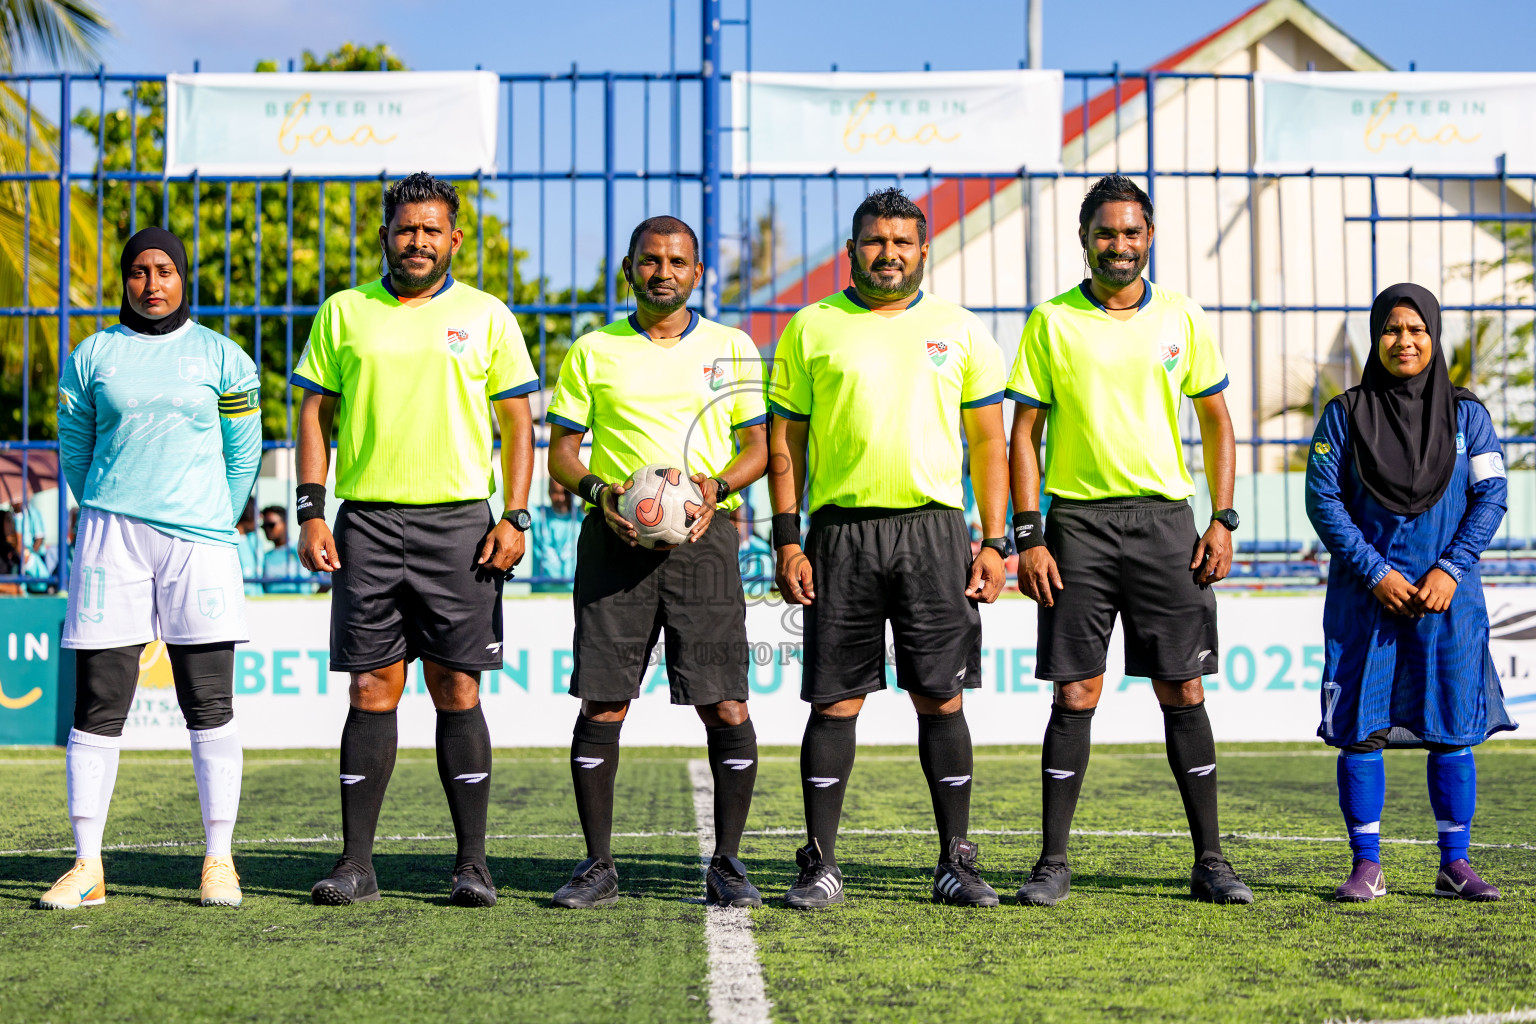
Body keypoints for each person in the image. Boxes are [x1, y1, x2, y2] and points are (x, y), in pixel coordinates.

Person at [292, 172, 538, 908]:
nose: (419, 240)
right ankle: (356, 864)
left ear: (454, 238)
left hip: (460, 525)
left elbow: (519, 424)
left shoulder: (487, 315)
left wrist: (515, 515)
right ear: (385, 236)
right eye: (407, 229)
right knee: (371, 686)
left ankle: (472, 864)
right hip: (366, 522)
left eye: (432, 229)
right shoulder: (344, 313)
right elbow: (314, 415)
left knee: (456, 685)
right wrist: (310, 509)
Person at [1008, 174, 1252, 906]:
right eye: (1106, 233)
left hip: (1165, 524)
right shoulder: (1051, 321)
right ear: (1084, 239)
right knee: (1076, 689)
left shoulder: (1182, 316)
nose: (1120, 244)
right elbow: (1025, 435)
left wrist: (1222, 517)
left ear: (1151, 237)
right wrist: (1029, 536)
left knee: (1183, 684)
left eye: (1132, 232)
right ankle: (1052, 862)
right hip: (1076, 526)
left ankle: (1211, 861)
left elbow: (1217, 422)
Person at [769, 187, 1010, 910]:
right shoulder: (811, 327)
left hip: (935, 532)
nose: (889, 253)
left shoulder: (961, 330)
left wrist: (995, 541)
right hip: (839, 534)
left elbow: (989, 443)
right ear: (852, 249)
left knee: (941, 697)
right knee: (835, 702)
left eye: (903, 242)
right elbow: (787, 442)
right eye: (876, 241)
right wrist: (787, 541)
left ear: (924, 250)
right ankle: (820, 862)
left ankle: (955, 860)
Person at [544, 215, 769, 908]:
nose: (662, 271)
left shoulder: (732, 347)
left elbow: (758, 449)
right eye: (650, 260)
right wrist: (602, 492)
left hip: (706, 544)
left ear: (698, 273)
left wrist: (715, 488)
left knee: (725, 703)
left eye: (676, 261)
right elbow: (563, 453)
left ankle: (728, 863)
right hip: (613, 545)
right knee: (604, 702)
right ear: (629, 268)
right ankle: (597, 866)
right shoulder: (593, 350)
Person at [40, 226, 261, 910]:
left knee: (209, 704)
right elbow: (75, 451)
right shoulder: (92, 357)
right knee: (99, 705)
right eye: (140, 270)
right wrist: (116, 504)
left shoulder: (224, 359)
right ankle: (87, 865)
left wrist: (207, 517)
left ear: (183, 277)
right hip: (112, 539)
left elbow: (243, 455)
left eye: (165, 269)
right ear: (125, 279)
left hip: (201, 542)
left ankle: (218, 859)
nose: (152, 282)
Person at [1305, 283, 1517, 903]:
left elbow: (1492, 496)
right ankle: (1366, 864)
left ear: (1435, 336)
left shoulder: (1467, 415)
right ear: (1376, 338)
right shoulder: (1344, 414)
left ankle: (1455, 864)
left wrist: (1451, 567)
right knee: (1361, 730)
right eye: (1392, 329)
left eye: (1417, 329)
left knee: (1452, 729)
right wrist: (1376, 573)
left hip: (1447, 600)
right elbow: (1323, 500)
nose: (1405, 341)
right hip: (1366, 598)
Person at [530, 477, 581, 592]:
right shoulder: (538, 515)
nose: (561, 498)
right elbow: (514, 501)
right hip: (540, 595)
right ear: (548, 492)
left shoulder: (581, 516)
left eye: (566, 493)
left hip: (573, 594)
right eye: (555, 492)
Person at [258, 505, 317, 594]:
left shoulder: (302, 549)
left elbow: (327, 579)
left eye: (271, 525)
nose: (267, 529)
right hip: (271, 606)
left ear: (285, 523)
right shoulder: (266, 556)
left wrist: (312, 601)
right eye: (264, 526)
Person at [235, 498, 263, 596]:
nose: (261, 517)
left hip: (260, 601)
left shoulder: (256, 540)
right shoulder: (229, 542)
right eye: (257, 512)